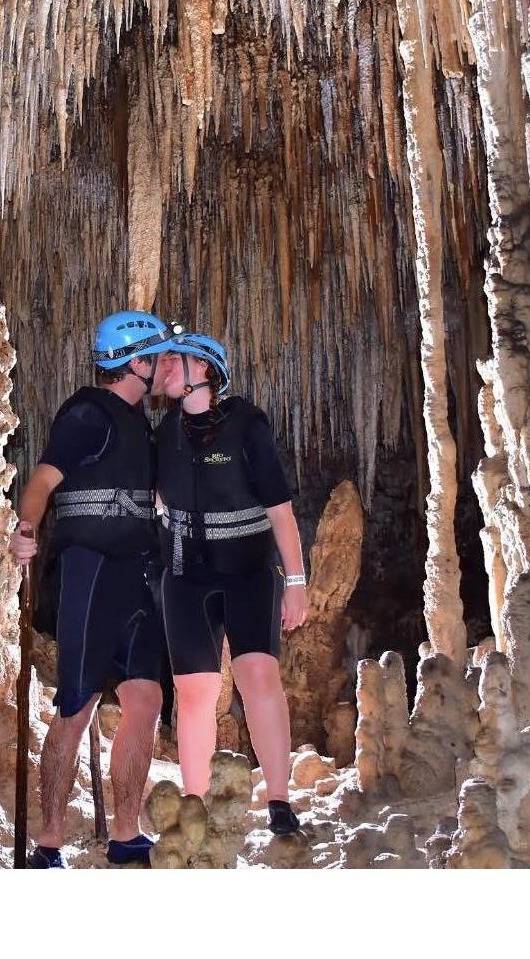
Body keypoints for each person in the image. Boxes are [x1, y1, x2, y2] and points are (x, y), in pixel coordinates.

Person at [9, 311, 186, 868]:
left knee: (146, 700)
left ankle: (126, 833)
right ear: (136, 362)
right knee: (77, 705)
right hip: (89, 571)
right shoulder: (88, 412)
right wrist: (25, 529)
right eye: (157, 356)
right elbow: (42, 480)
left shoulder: (143, 428)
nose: (163, 365)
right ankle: (50, 842)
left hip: (137, 574)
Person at [154, 332, 309, 836]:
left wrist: (296, 580)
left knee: (257, 674)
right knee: (193, 691)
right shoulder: (165, 433)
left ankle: (279, 801)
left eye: (176, 359)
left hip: (248, 571)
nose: (166, 366)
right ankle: (194, 805)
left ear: (206, 369)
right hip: (186, 577)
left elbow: (280, 511)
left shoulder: (246, 425)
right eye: (164, 360)